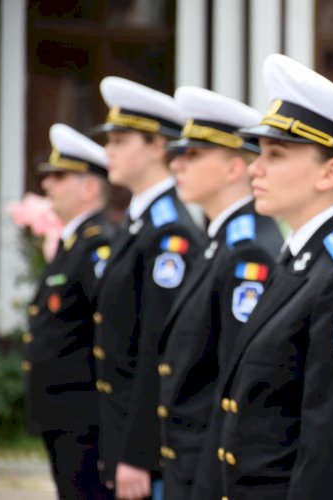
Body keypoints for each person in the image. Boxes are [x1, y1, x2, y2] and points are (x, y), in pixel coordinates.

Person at [215, 53, 333, 499]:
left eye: (276, 155)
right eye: (258, 153)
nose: (254, 169)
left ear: (330, 172)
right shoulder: (301, 260)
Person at [158, 86, 283, 500]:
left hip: (206, 468)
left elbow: (233, 380)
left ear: (234, 168)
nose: (177, 163)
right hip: (186, 457)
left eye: (193, 154)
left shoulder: (248, 251)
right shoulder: (220, 240)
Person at [91, 77, 204, 500]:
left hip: (141, 450)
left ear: (158, 147)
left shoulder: (169, 233)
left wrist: (139, 454)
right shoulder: (138, 221)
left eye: (121, 140)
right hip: (116, 432)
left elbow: (159, 349)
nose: (109, 151)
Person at [23, 123, 115, 499]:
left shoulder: (97, 246)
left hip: (84, 419)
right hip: (64, 416)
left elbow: (111, 328)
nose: (47, 186)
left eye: (59, 176)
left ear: (89, 187)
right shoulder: (74, 243)